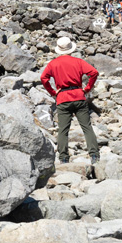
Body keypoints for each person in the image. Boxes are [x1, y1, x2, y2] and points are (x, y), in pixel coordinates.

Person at [40, 36, 100, 165]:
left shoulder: (53, 63)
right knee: (87, 127)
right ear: (70, 49)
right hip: (79, 95)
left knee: (63, 130)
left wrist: (52, 92)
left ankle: (64, 158)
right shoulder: (78, 61)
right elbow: (94, 73)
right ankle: (94, 156)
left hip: (62, 97)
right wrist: (88, 88)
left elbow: (43, 78)